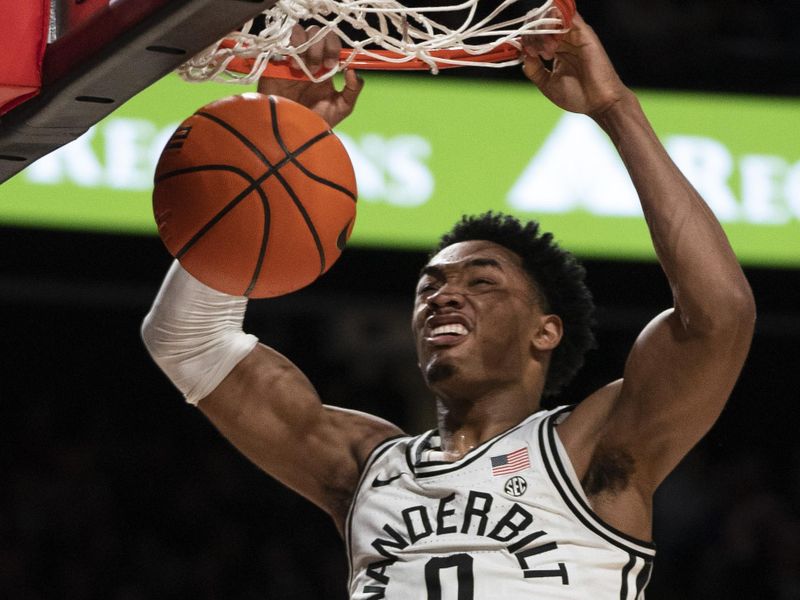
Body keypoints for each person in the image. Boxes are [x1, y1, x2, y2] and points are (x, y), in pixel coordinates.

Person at [141, 14, 755, 598]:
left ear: (545, 331)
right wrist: (278, 150)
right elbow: (188, 343)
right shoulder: (364, 466)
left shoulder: (590, 449)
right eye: (428, 286)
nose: (444, 294)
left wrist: (614, 108)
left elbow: (718, 315)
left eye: (482, 281)